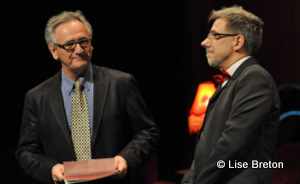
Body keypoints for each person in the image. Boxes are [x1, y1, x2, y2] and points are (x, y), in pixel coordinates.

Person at [16, 10, 160, 184]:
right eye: (69, 44)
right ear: (54, 50)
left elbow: (147, 131)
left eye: (84, 42)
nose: (79, 50)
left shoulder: (120, 83)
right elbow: (26, 151)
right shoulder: (37, 97)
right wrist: (51, 168)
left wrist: (125, 159)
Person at [181, 6, 280, 184]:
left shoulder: (254, 78)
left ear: (238, 42)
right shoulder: (228, 82)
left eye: (214, 35)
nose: (205, 42)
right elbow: (204, 148)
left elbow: (232, 144)